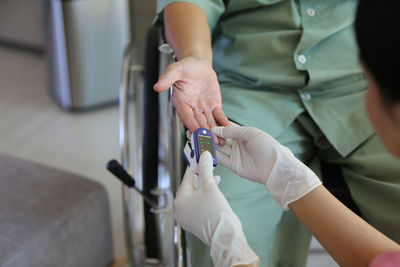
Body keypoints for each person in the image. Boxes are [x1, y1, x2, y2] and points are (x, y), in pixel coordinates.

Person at [154, 0, 400, 266]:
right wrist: (196, 55)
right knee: (228, 198)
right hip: (248, 90)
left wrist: (230, 249)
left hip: (365, 85)